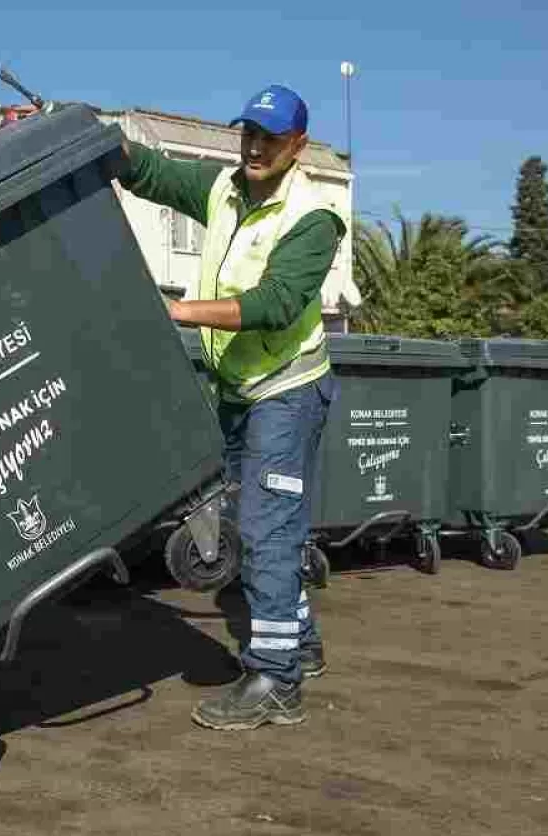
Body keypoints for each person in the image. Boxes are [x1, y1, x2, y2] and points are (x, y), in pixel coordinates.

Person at [117, 85, 345, 729]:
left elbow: (276, 302)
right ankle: (298, 641)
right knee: (258, 524)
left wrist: (180, 312)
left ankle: (275, 681)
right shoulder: (224, 189)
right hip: (237, 389)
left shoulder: (313, 217)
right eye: (248, 132)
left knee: (268, 531)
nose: (254, 145)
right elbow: (155, 173)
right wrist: (98, 143)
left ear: (297, 146)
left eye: (270, 137)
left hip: (286, 389)